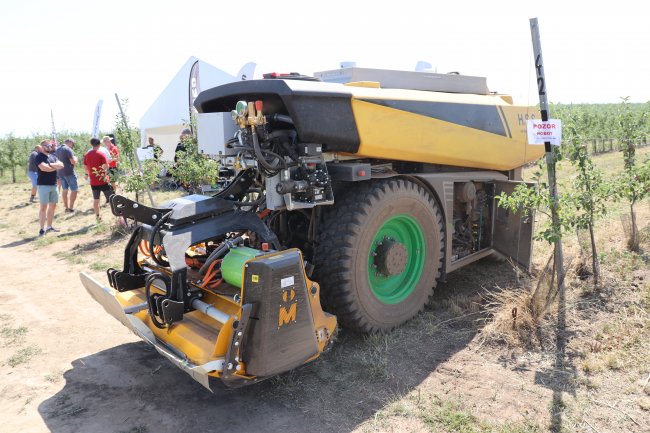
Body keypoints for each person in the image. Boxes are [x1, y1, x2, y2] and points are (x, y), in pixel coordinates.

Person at [35, 140, 64, 236]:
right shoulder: (39, 157)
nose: (50, 146)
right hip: (43, 185)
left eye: (51, 145)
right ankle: (42, 229)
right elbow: (44, 168)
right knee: (43, 207)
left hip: (54, 184)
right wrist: (54, 167)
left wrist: (50, 165)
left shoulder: (53, 156)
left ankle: (49, 226)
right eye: (48, 145)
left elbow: (62, 165)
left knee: (53, 206)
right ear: (43, 146)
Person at [84, 138, 113, 222]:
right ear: (99, 144)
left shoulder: (87, 155)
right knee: (111, 198)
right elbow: (106, 166)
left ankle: (97, 217)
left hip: (93, 181)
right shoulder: (101, 154)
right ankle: (118, 215)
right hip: (103, 180)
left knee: (96, 199)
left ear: (91, 144)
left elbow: (85, 167)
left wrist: (88, 173)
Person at [56, 138, 79, 213]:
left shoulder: (57, 149)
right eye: (73, 144)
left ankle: (66, 208)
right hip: (69, 172)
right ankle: (71, 208)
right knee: (74, 190)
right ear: (70, 142)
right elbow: (73, 162)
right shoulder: (68, 149)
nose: (73, 146)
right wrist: (76, 159)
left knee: (65, 190)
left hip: (60, 172)